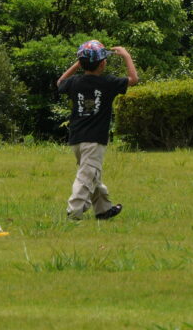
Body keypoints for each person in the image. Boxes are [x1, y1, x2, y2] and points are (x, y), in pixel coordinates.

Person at [57, 40, 139, 220]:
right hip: (95, 140)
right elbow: (133, 80)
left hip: (76, 138)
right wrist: (126, 56)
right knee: (86, 176)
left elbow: (60, 81)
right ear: (103, 63)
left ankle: (103, 210)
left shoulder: (75, 82)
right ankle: (74, 211)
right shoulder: (108, 83)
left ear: (82, 63)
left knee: (93, 174)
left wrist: (77, 64)